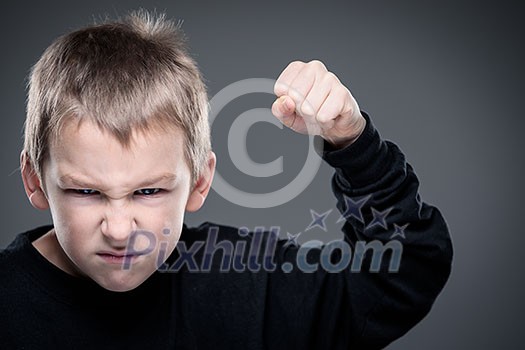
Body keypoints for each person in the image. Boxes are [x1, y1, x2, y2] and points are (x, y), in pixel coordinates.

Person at [0, 10, 452, 350]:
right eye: (86, 192)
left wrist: (352, 142)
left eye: (149, 190)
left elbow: (404, 273)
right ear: (35, 181)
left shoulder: (245, 283)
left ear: (199, 182)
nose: (119, 230)